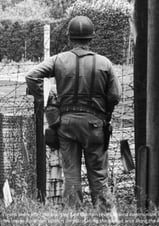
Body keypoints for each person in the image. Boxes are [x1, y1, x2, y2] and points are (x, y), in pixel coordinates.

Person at [26, 16, 121, 210]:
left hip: (66, 124)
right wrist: (104, 111)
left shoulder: (59, 59)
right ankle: (104, 215)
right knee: (98, 174)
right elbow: (115, 96)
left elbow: (32, 76)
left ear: (70, 37)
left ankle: (74, 216)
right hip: (95, 125)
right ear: (91, 38)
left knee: (71, 173)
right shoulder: (104, 63)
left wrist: (50, 98)